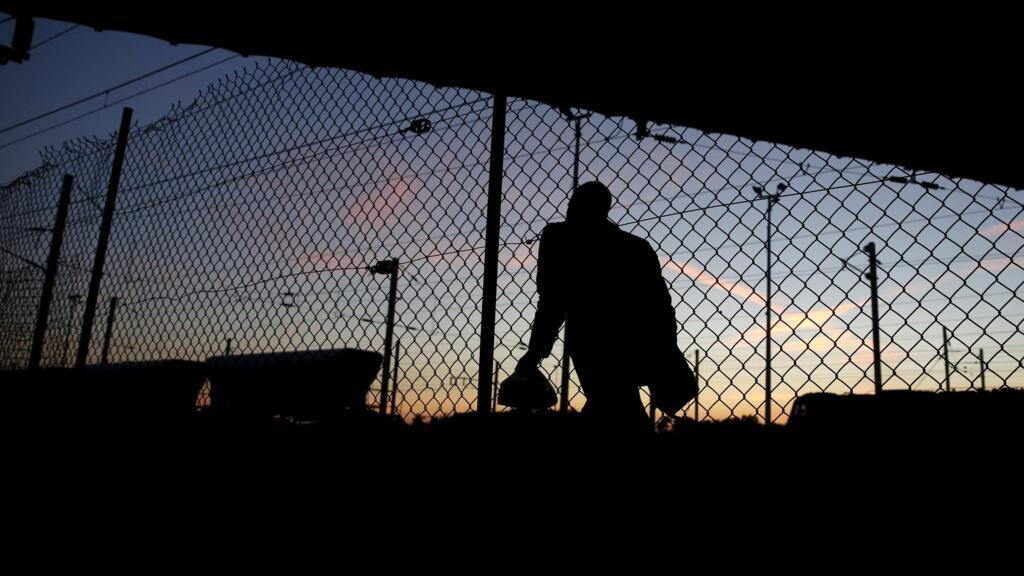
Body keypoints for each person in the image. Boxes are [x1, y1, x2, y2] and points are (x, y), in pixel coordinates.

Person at [515, 181, 695, 433]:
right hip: (635, 342)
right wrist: (666, 350)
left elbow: (552, 301)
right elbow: (663, 309)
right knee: (614, 405)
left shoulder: (560, 239)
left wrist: (535, 352)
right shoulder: (635, 247)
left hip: (593, 342)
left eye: (572, 205)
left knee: (613, 406)